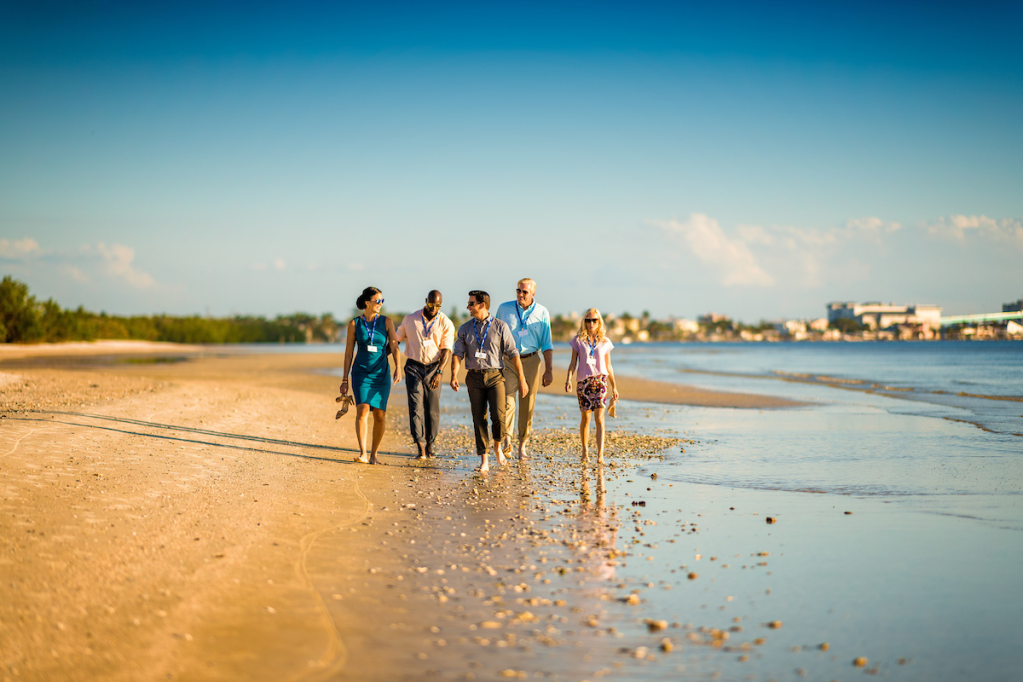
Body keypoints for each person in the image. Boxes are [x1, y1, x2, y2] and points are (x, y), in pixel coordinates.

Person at [450, 290, 527, 473]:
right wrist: (453, 375)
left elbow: (513, 353)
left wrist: (522, 379)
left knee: (499, 416)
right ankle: (484, 459)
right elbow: (457, 354)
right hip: (474, 377)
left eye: (471, 303)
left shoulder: (501, 326)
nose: (467, 307)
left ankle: (497, 447)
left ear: (482, 305)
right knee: (479, 419)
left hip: (495, 376)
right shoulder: (465, 328)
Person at [341, 287, 400, 465]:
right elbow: (348, 352)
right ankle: (363, 453)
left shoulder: (387, 322)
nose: (380, 304)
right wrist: (344, 379)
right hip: (361, 373)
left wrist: (398, 367)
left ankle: (374, 454)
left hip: (381, 374)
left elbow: (395, 346)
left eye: (382, 300)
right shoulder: (354, 324)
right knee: (362, 410)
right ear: (367, 302)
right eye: (377, 300)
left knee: (380, 414)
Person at [495, 278, 553, 458]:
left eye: (525, 292)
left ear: (533, 294)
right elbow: (495, 336)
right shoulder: (504, 309)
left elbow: (547, 344)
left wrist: (549, 370)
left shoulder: (542, 312)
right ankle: (507, 441)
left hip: (531, 361)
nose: (521, 294)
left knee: (527, 404)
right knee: (507, 401)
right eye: (518, 291)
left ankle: (522, 445)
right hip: (509, 360)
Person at [395, 290, 455, 459]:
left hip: (434, 368)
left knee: (432, 408)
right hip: (414, 367)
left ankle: (430, 444)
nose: (434, 308)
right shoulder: (410, 319)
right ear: (425, 301)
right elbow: (396, 340)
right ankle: (420, 446)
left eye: (437, 306)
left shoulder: (446, 323)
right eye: (431, 304)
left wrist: (440, 372)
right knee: (416, 408)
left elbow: (447, 350)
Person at [564, 308, 619, 464]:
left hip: (600, 381)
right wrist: (568, 379)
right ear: (584, 321)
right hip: (583, 382)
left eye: (594, 320)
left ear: (599, 321)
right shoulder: (578, 340)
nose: (591, 323)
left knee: (600, 419)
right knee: (585, 418)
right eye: (588, 320)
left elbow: (609, 366)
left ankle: (600, 454)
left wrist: (614, 387)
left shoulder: (605, 342)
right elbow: (573, 362)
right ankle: (585, 452)